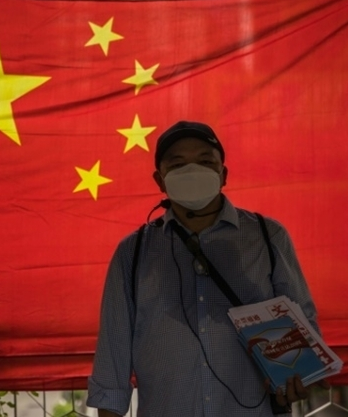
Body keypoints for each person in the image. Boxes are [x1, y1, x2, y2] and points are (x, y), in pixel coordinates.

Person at [87, 121, 325, 417]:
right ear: (160, 180)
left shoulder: (267, 237)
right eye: (178, 164)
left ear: (223, 174)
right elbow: (113, 353)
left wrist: (301, 375)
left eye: (205, 161)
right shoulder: (133, 252)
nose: (192, 171)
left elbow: (302, 323)